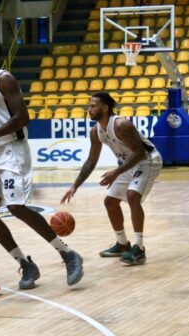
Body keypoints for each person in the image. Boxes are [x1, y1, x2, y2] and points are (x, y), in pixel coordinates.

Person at [0, 40, 83, 289]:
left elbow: (23, 118)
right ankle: (25, 263)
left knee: (17, 206)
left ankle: (67, 254)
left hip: (11, 151)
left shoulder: (4, 79)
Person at [60, 92, 162, 265]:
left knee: (132, 196)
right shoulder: (96, 131)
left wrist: (116, 172)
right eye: (89, 106)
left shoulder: (122, 125)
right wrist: (74, 186)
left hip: (147, 161)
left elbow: (140, 153)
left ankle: (139, 248)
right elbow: (91, 161)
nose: (89, 109)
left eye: (93, 106)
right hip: (128, 164)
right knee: (110, 202)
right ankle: (122, 244)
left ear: (105, 108)